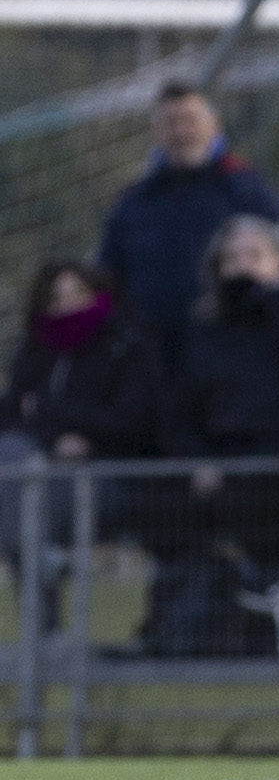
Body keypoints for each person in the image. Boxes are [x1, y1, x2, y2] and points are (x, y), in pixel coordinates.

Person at [158, 215, 279, 658]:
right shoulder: (202, 334)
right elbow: (177, 414)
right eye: (232, 259)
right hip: (224, 468)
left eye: (255, 256)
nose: (243, 267)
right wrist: (197, 460)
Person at [0, 261, 165, 633]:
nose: (66, 305)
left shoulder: (126, 346)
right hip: (36, 474)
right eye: (56, 298)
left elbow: (134, 420)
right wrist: (55, 437)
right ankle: (45, 615)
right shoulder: (36, 349)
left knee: (20, 506)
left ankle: (43, 630)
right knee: (12, 460)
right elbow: (12, 411)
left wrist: (57, 418)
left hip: (106, 476)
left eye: (77, 294)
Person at [96, 81, 279, 359]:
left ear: (215, 125)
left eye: (190, 120)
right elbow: (107, 278)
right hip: (153, 357)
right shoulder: (133, 203)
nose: (181, 131)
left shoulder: (248, 191)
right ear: (157, 132)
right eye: (171, 123)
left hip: (232, 354)